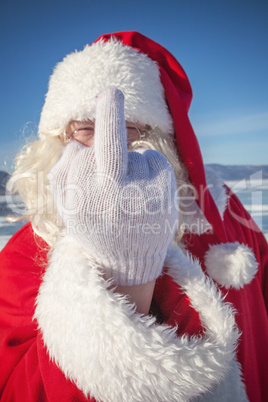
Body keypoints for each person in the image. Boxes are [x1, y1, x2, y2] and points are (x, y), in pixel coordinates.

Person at [0, 31, 267, 402]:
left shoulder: (225, 210)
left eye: (126, 129)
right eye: (85, 130)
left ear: (163, 142)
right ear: (57, 143)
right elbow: (18, 390)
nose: (107, 150)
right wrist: (125, 278)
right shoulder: (25, 253)